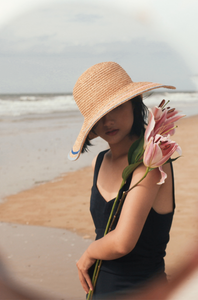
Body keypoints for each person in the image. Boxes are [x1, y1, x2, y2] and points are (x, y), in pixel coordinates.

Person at [68, 61, 176, 299]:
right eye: (99, 115)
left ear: (134, 102)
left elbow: (122, 243)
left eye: (115, 107)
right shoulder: (100, 161)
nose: (108, 121)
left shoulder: (152, 159)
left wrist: (89, 253)